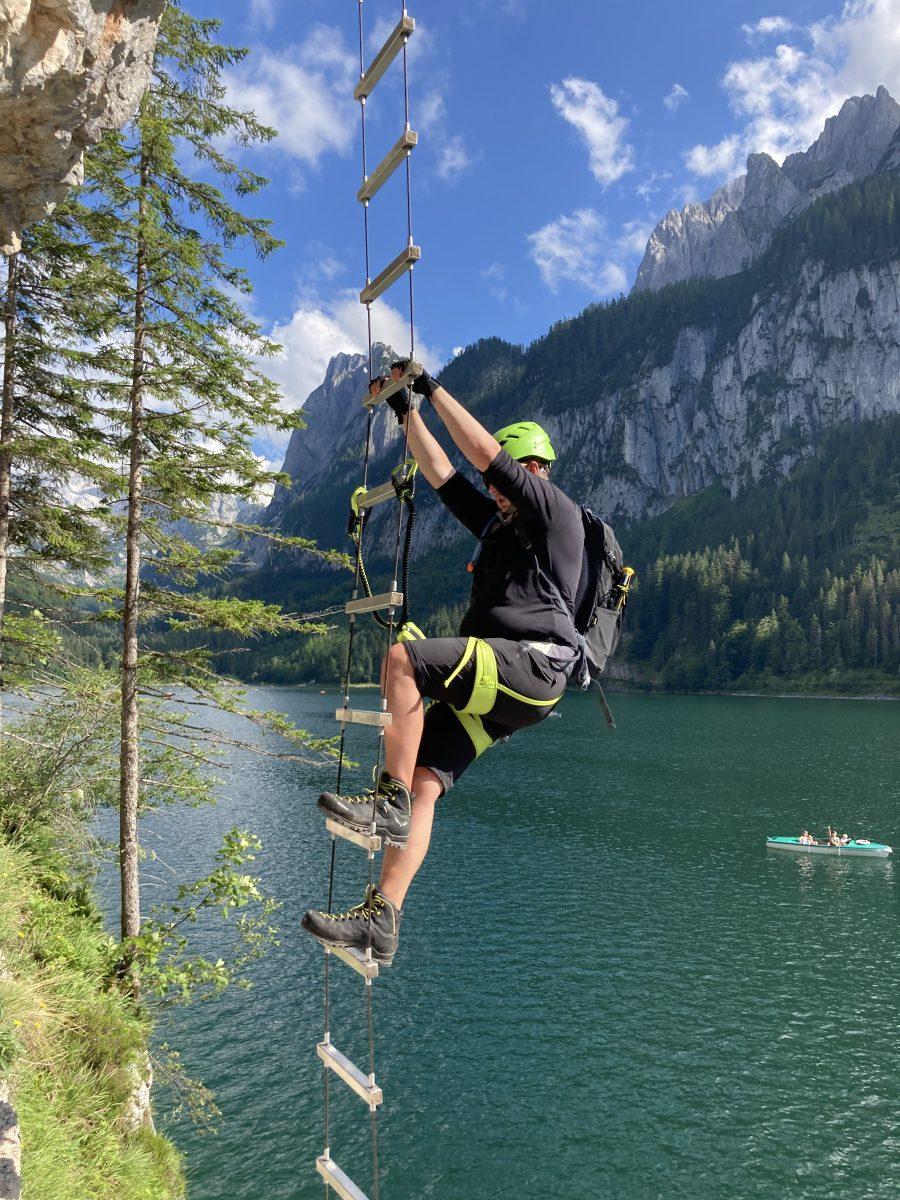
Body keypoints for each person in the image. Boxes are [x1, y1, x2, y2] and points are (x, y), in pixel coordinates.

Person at [302, 365, 585, 966]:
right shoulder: (499, 526)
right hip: (509, 686)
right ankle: (381, 921)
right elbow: (441, 473)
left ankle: (388, 802)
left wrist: (429, 386)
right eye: (496, 489)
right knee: (425, 778)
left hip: (532, 667)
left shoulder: (554, 513)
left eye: (509, 481)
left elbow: (484, 456)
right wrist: (404, 409)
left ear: (536, 470)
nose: (497, 494)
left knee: (404, 660)